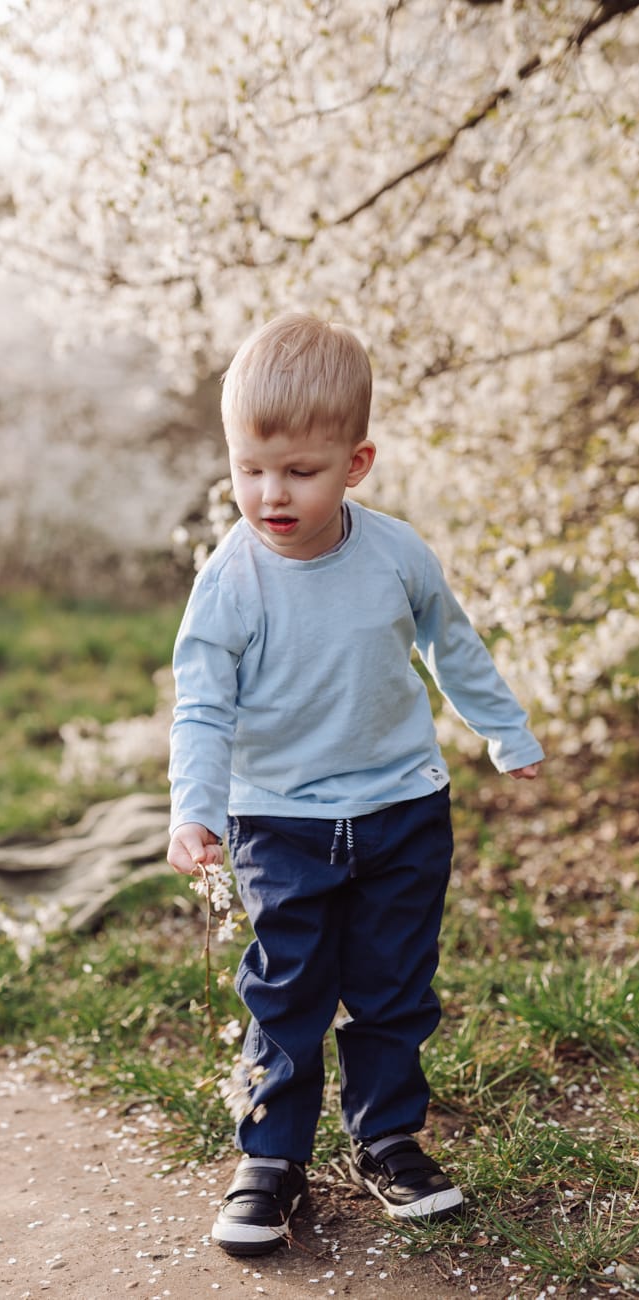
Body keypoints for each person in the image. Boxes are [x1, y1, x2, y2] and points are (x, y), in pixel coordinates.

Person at [167, 312, 544, 1257]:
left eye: (300, 471)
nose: (271, 493)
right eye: (250, 469)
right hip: (278, 821)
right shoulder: (230, 581)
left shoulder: (395, 555)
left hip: (401, 810)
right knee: (285, 989)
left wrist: (503, 730)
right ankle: (269, 1158)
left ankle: (387, 1138)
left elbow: (452, 646)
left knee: (393, 986)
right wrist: (194, 809)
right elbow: (203, 707)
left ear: (356, 464)